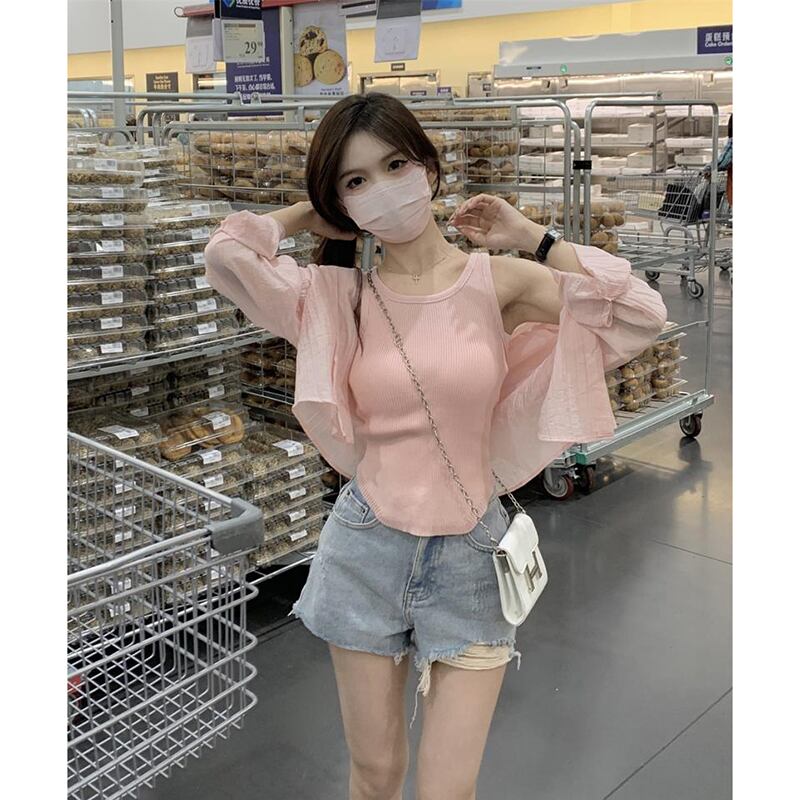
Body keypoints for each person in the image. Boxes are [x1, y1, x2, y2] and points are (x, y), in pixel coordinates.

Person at [205, 93, 667, 800]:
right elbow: (227, 254)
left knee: (448, 790)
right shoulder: (334, 298)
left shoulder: (498, 280)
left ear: (428, 166)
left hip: (472, 554)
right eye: (356, 180)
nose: (383, 188)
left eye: (395, 165)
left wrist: (533, 236)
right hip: (365, 548)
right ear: (342, 201)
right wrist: (306, 214)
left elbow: (640, 314)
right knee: (375, 777)